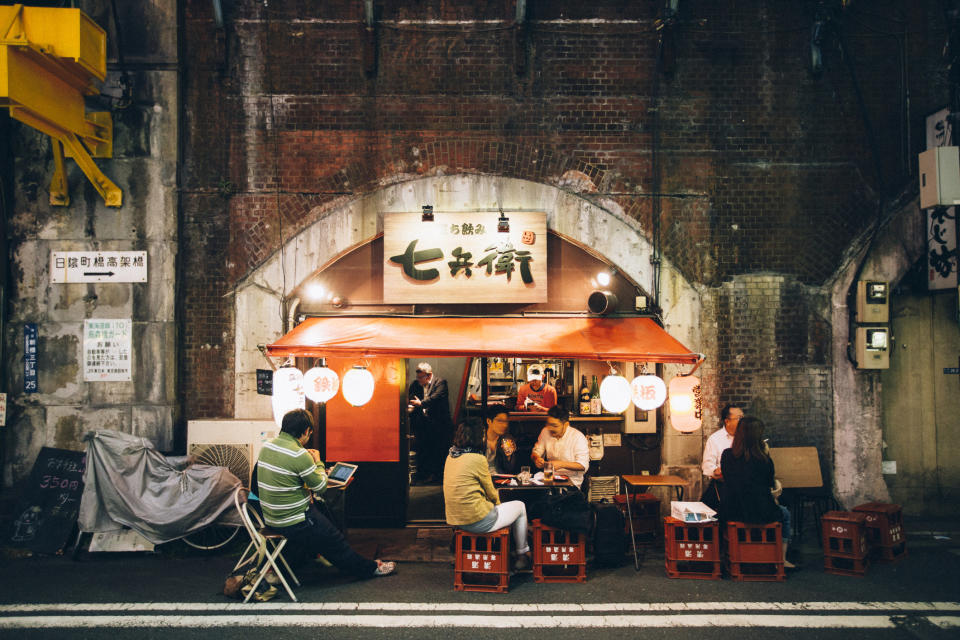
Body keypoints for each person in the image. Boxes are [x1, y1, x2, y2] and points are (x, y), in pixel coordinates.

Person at [256, 409, 395, 579]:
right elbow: (321, 487)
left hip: (270, 518)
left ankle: (311, 557)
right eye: (309, 433)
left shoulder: (267, 446)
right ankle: (370, 568)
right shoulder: (299, 455)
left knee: (321, 517)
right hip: (295, 520)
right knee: (335, 540)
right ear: (306, 431)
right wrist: (318, 462)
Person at [443, 417, 531, 570]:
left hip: (456, 520)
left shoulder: (451, 456)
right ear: (479, 437)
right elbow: (491, 492)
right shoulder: (478, 458)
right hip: (477, 521)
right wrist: (498, 507)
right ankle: (522, 554)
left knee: (502, 509)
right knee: (520, 506)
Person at [719, 416, 795, 569]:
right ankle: (782, 558)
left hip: (733, 509)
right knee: (785, 514)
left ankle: (733, 555)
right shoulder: (763, 459)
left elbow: (727, 479)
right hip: (760, 511)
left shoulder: (727, 455)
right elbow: (769, 482)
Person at [408, 362, 453, 483]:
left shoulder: (440, 383)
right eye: (417, 377)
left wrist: (420, 403)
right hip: (423, 425)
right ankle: (424, 476)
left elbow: (436, 398)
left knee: (438, 452)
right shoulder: (416, 385)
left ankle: (437, 478)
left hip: (439, 425)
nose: (418, 380)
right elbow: (410, 397)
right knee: (423, 451)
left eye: (421, 377)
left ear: (429, 375)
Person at [531, 405, 590, 488]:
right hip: (549, 479)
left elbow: (583, 465)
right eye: (548, 424)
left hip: (572, 483)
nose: (550, 428)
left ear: (566, 425)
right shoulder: (545, 431)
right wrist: (536, 458)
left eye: (555, 426)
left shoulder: (578, 437)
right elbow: (536, 452)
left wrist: (562, 464)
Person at [700, 404, 743, 511]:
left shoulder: (746, 437)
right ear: (727, 421)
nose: (742, 421)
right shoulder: (715, 439)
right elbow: (707, 466)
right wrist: (716, 471)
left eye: (743, 417)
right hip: (723, 486)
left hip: (743, 488)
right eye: (739, 418)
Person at [483, 404, 511, 474]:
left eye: (506, 421)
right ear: (489, 421)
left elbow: (509, 468)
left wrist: (508, 456)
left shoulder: (506, 440)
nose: (504, 425)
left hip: (499, 480)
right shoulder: (478, 439)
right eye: (500, 421)